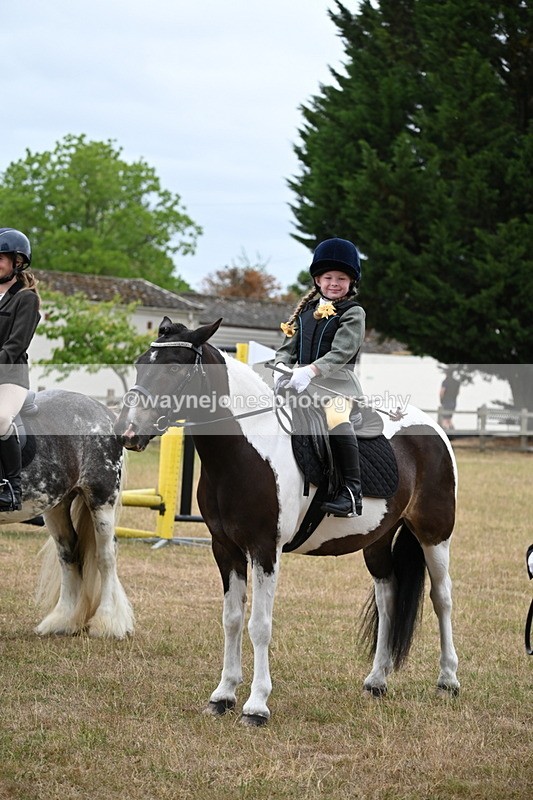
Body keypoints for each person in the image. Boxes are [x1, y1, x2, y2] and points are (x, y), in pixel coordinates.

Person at [274, 237, 365, 517]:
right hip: (300, 387)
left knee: (336, 419)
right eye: (328, 277)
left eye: (341, 278)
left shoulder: (353, 313)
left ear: (351, 283)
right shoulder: (303, 315)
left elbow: (342, 352)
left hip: (337, 390)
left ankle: (352, 492)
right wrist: (281, 369)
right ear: (317, 280)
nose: (334, 283)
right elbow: (286, 350)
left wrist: (311, 371)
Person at [0, 228, 41, 511]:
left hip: (10, 377)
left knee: (1, 419)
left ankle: (11, 487)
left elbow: (15, 347)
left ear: (17, 262)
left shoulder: (26, 299)